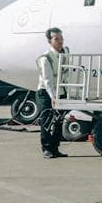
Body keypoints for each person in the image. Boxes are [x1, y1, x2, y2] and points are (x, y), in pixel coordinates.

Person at [35, 26, 68, 159]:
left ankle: (55, 148)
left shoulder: (64, 53)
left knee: (59, 121)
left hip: (60, 91)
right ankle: (47, 149)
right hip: (46, 93)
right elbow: (48, 80)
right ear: (49, 41)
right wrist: (53, 97)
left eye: (61, 38)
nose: (60, 41)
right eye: (56, 39)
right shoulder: (45, 58)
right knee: (47, 121)